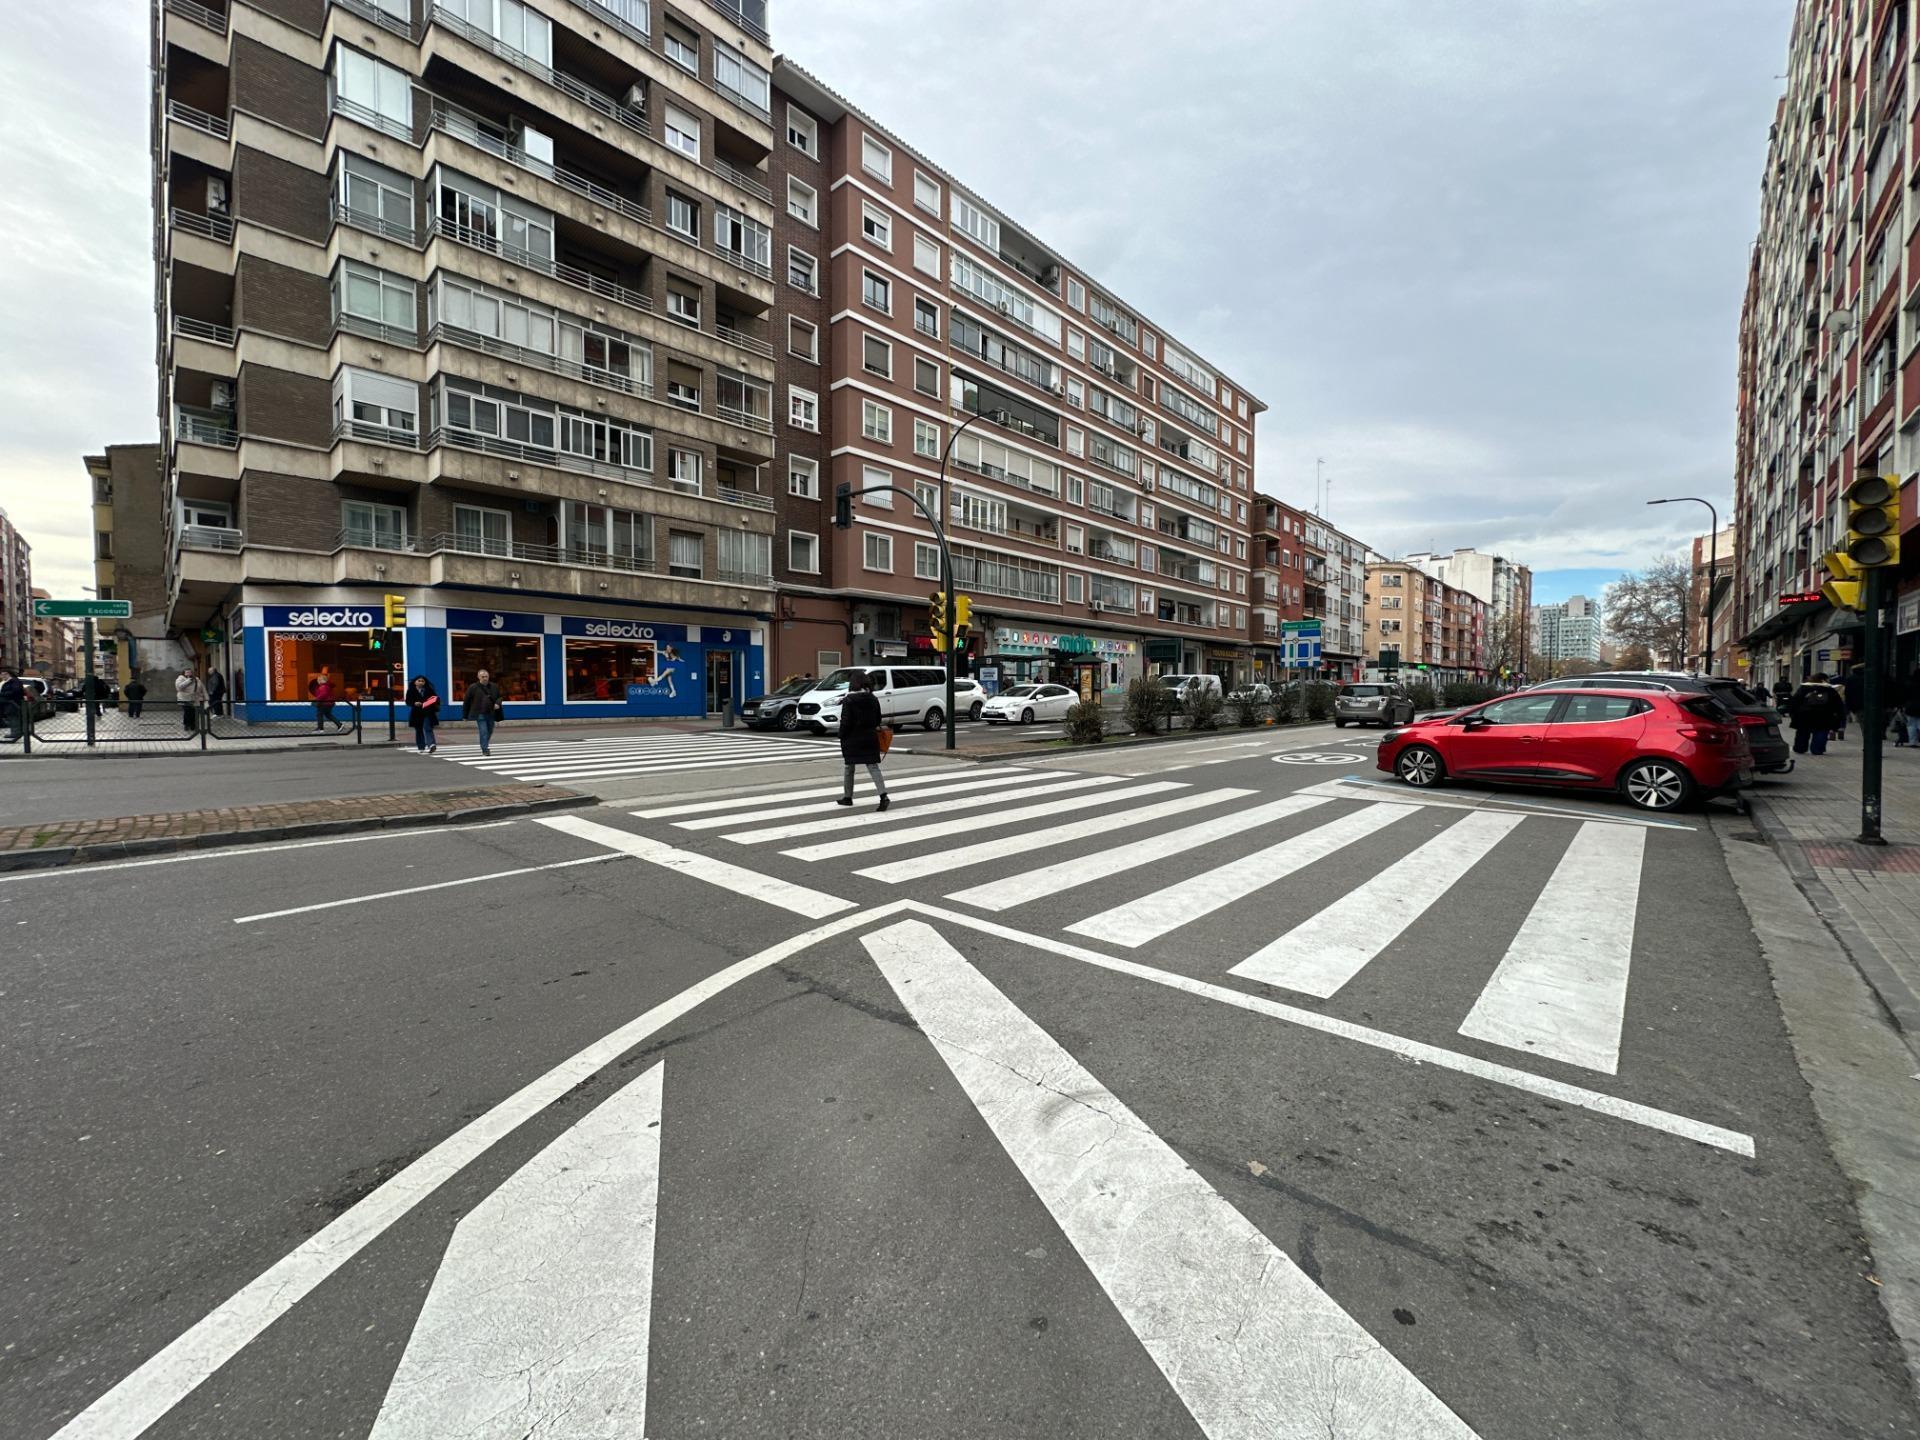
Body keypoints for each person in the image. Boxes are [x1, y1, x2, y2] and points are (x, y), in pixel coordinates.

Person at [836, 669, 889, 811]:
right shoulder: (873, 699)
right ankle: (883, 796)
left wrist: (841, 734)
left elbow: (846, 721)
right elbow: (878, 719)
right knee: (873, 766)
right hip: (870, 736)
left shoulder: (849, 700)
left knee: (849, 767)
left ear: (853, 684)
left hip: (852, 738)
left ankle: (848, 797)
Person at [1788, 672, 1845, 756]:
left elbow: (1795, 701)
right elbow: (1838, 704)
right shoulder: (1829, 689)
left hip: (1805, 715)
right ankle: (1817, 749)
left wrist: (1793, 714)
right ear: (1823, 680)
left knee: (1803, 732)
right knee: (1821, 731)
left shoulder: (1804, 688)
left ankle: (1800, 748)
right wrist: (1839, 716)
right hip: (1824, 715)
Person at [463, 668, 502, 756]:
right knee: (483, 731)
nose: (485, 678)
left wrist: (497, 703)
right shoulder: (473, 687)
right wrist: (465, 715)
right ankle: (485, 748)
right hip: (479, 713)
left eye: (486, 676)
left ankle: (484, 744)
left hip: (491, 712)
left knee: (490, 730)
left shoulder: (494, 686)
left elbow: (499, 697)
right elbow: (466, 701)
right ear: (478, 677)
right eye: (483, 676)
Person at [406, 674, 440, 753]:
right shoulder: (411, 690)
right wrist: (414, 703)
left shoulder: (429, 690)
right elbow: (408, 701)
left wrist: (427, 703)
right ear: (415, 682)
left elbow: (435, 699)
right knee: (418, 730)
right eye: (419, 681)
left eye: (422, 681)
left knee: (428, 728)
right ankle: (421, 746)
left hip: (427, 712)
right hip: (416, 713)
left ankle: (431, 744)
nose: (421, 682)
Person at [309, 667, 347, 734]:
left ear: (321, 681)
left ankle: (320, 729)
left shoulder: (323, 687)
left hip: (324, 703)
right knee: (328, 714)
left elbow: (323, 695)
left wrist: (316, 699)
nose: (318, 681)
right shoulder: (327, 686)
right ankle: (339, 725)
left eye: (318, 680)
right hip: (329, 703)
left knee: (319, 714)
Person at [174, 668, 207, 734]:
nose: (189, 673)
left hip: (195, 699)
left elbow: (202, 688)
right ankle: (186, 725)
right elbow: (179, 687)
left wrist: (206, 697)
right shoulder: (180, 679)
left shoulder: (196, 679)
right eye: (187, 672)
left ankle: (193, 726)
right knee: (187, 712)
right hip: (184, 699)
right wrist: (188, 680)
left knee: (194, 712)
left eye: (190, 672)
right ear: (183, 673)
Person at [1839, 665, 1864, 742]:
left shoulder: (1850, 679)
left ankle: (1866, 736)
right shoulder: (1869, 678)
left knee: (1863, 721)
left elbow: (1848, 693)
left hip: (1858, 705)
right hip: (1871, 704)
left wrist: (1849, 706)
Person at [0, 669, 22, 742]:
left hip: (13, 703)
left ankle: (16, 733)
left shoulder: (14, 681)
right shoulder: (5, 682)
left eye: (3, 674)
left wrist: (2, 694)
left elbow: (15, 691)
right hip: (7, 703)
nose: (1, 676)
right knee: (11, 717)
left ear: (7, 674)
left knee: (13, 717)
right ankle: (15, 732)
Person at [1903, 667, 1920, 749]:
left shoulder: (1910, 684)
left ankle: (1913, 741)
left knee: (1911, 725)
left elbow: (1905, 696)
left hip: (1911, 707)